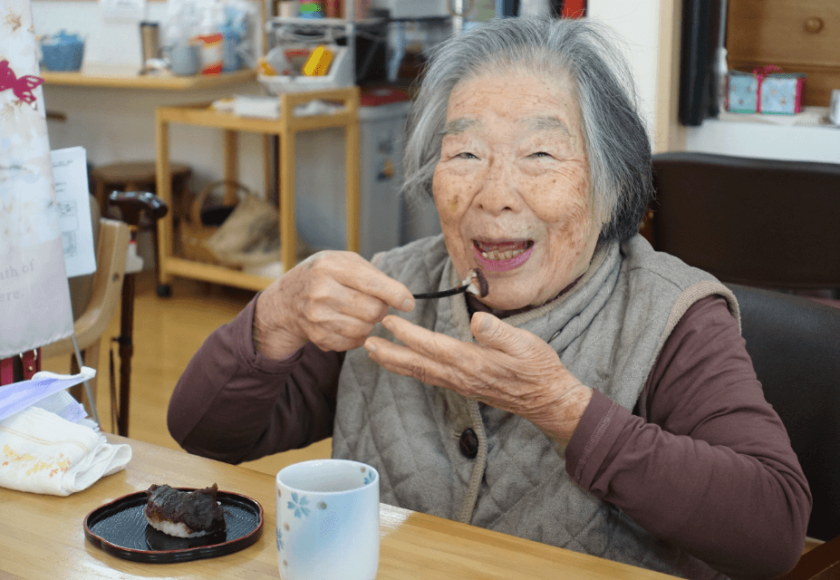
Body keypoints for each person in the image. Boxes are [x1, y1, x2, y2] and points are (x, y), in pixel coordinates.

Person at [168, 17, 810, 579]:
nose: (494, 194)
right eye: (465, 153)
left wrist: (562, 409)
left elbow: (773, 530)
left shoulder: (675, 315)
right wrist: (273, 317)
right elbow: (205, 433)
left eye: (539, 154)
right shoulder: (391, 290)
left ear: (613, 188)